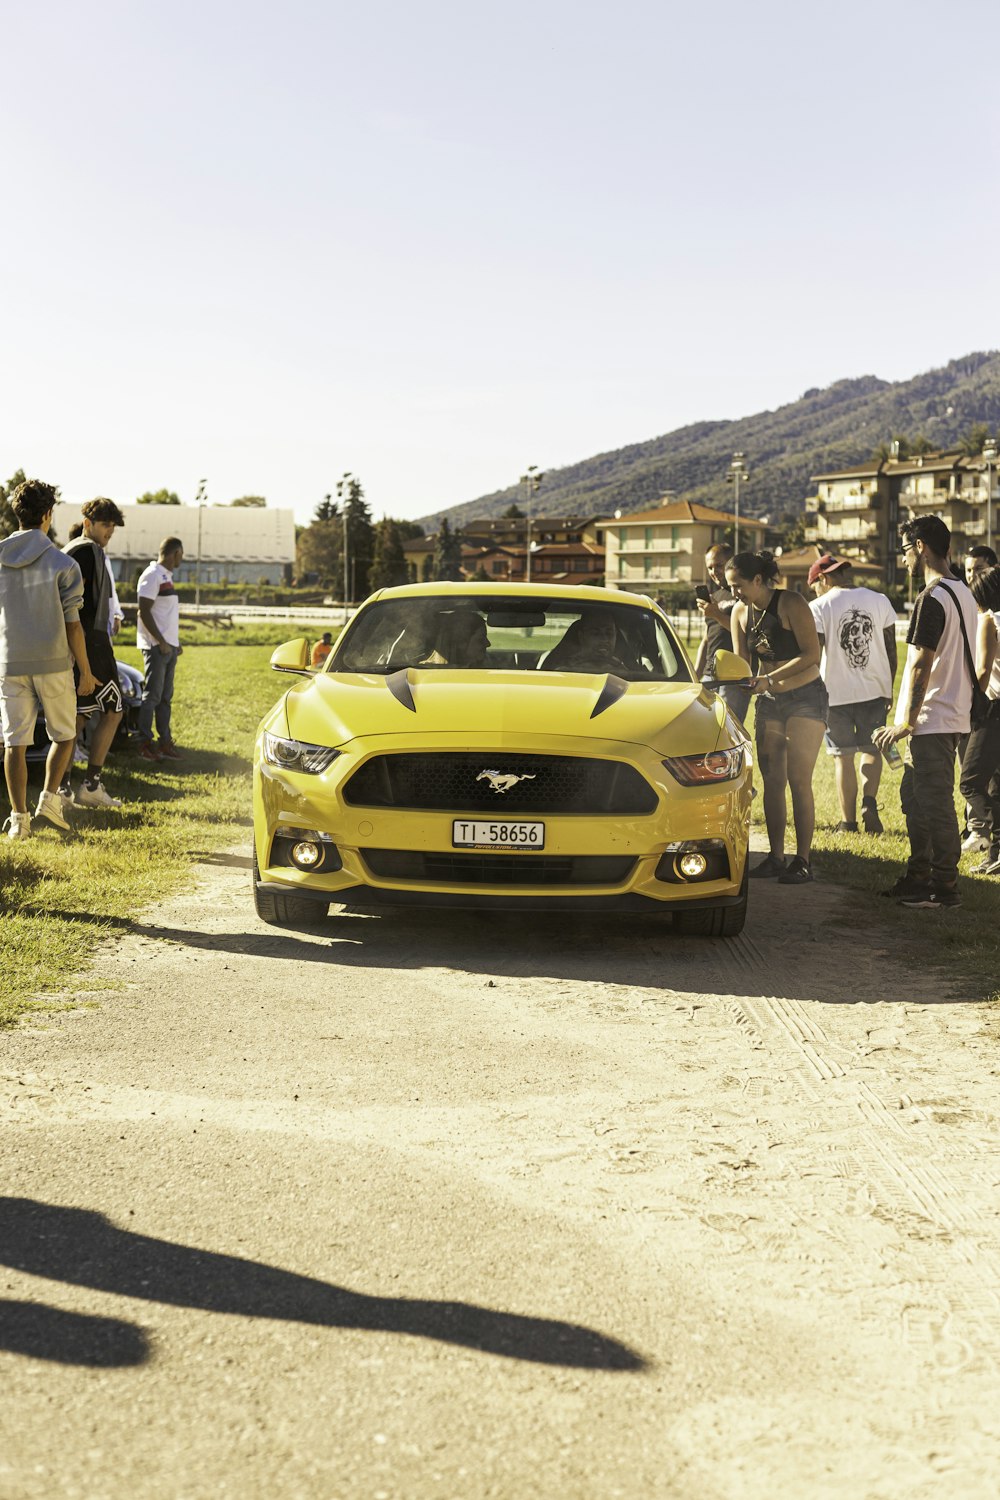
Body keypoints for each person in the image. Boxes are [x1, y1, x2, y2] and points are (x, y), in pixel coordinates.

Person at [873, 515, 979, 909]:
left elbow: (921, 663)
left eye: (904, 550)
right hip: (948, 714)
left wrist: (905, 721)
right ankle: (919, 877)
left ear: (920, 546)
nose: (903, 560)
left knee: (934, 803)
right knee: (915, 800)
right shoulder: (963, 592)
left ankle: (944, 888)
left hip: (932, 718)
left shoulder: (932, 597)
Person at [0, 479, 98, 838]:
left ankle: (18, 820)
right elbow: (74, 626)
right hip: (54, 663)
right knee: (65, 734)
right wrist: (85, 671)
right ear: (47, 515)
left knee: (15, 743)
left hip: (10, 663)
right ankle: (49, 802)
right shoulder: (63, 563)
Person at [727, 549, 827, 884]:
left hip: (805, 698)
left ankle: (802, 860)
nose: (733, 592)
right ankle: (775, 856)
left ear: (758, 580)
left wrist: (771, 678)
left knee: (799, 779)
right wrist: (736, 681)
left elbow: (812, 655)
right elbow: (743, 664)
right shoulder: (739, 612)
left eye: (738, 585)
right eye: (730, 586)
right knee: (772, 781)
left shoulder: (791, 603)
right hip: (769, 701)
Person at [808, 554, 898, 834]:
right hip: (875, 690)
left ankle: (848, 823)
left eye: (815, 585)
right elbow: (891, 648)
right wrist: (888, 685)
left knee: (842, 757)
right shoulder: (880, 599)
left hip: (834, 694)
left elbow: (815, 654)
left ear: (822, 579)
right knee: (873, 749)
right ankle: (869, 803)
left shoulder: (819, 606)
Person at [62, 498, 127, 808]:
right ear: (87, 523)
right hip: (91, 643)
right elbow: (76, 606)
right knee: (113, 710)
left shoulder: (74, 550)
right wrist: (81, 650)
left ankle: (63, 789)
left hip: (81, 643)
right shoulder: (86, 552)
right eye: (105, 524)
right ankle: (90, 785)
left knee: (78, 716)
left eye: (112, 525)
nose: (110, 530)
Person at [959, 564, 1000, 873]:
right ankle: (996, 855)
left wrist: (971, 705)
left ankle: (987, 837)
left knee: (971, 780)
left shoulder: (989, 621)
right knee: (997, 783)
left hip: (993, 710)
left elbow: (983, 672)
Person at [136, 537, 184, 762]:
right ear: (175, 553)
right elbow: (143, 612)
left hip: (169, 648)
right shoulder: (152, 575)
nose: (181, 559)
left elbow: (164, 614)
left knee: (165, 698)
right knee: (152, 697)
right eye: (180, 554)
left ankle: (164, 743)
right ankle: (144, 744)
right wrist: (161, 642)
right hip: (156, 648)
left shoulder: (167, 577)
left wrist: (174, 642)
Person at [694, 542, 750, 724]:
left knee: (728, 729)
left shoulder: (742, 594)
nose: (714, 571)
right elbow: (706, 639)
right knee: (704, 728)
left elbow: (747, 633)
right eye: (710, 567)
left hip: (733, 675)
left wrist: (717, 614)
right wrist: (695, 673)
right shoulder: (714, 597)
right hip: (709, 674)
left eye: (719, 565)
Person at [544, 612, 629, 674]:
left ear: (616, 636)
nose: (604, 639)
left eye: (609, 633)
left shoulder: (625, 672)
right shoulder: (563, 670)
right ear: (581, 636)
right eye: (595, 633)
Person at [421, 610, 490, 668]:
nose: (488, 644)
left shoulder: (484, 667)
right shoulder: (425, 674)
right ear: (461, 644)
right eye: (481, 640)